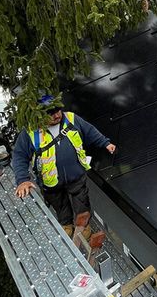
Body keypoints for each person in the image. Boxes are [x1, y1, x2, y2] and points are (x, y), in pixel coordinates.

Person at [12, 95, 116, 239]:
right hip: (51, 181)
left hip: (76, 176)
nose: (57, 115)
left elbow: (89, 131)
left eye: (58, 110)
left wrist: (105, 143)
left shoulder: (71, 119)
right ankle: (66, 225)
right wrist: (23, 179)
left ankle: (83, 226)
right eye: (51, 113)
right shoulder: (31, 132)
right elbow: (19, 156)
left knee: (82, 202)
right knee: (60, 205)